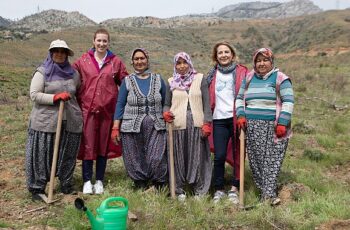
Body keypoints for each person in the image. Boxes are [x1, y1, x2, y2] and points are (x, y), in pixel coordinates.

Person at [235, 47, 294, 205]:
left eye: (265, 60)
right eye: (258, 60)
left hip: (275, 128)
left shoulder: (280, 78)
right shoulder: (248, 78)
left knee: (272, 161)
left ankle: (268, 197)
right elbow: (240, 98)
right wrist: (240, 114)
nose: (262, 63)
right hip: (252, 127)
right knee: (256, 161)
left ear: (271, 61)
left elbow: (288, 101)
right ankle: (268, 194)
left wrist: (282, 123)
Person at [25, 39, 82, 201]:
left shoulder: (73, 73)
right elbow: (34, 95)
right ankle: (37, 188)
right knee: (42, 155)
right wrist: (55, 97)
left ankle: (66, 183)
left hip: (70, 120)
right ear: (51, 53)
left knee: (67, 154)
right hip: (45, 122)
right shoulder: (42, 72)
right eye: (56, 50)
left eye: (63, 51)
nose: (59, 54)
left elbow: (75, 91)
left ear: (66, 55)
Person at [73, 28, 128, 195]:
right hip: (87, 110)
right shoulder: (83, 61)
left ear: (108, 43)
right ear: (93, 41)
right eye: (99, 40)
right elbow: (70, 76)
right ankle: (87, 181)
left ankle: (99, 181)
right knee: (88, 145)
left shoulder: (115, 62)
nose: (102, 44)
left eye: (105, 41)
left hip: (107, 112)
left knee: (103, 146)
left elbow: (125, 83)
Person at [111, 48, 168, 190]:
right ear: (132, 62)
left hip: (156, 125)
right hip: (131, 126)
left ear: (147, 60)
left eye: (142, 58)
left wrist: (166, 112)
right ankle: (140, 183)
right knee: (134, 155)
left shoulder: (158, 79)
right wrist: (115, 127)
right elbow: (120, 103)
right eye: (136, 59)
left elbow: (166, 101)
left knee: (156, 156)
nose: (139, 61)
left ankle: (159, 183)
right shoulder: (127, 81)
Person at [163, 52, 212, 201]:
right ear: (175, 65)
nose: (182, 66)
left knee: (198, 157)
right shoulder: (171, 81)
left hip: (197, 124)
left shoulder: (200, 79)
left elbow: (206, 104)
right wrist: (165, 113)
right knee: (177, 158)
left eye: (185, 62)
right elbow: (166, 103)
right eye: (179, 63)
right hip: (177, 125)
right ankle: (179, 191)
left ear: (190, 63)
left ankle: (199, 190)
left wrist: (207, 123)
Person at [206, 41, 248, 204]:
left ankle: (235, 188)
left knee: (238, 153)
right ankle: (218, 188)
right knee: (219, 155)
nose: (223, 55)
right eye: (220, 53)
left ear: (232, 54)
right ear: (216, 57)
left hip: (237, 118)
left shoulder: (242, 72)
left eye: (226, 52)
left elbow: (247, 94)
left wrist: (243, 114)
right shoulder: (212, 74)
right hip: (218, 119)